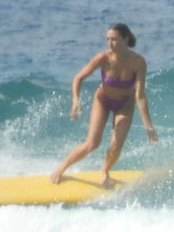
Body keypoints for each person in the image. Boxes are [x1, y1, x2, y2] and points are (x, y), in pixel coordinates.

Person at [50, 22, 156, 186]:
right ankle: (61, 169)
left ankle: (105, 170)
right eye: (108, 39)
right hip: (103, 100)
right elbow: (78, 78)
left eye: (114, 39)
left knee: (116, 145)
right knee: (92, 143)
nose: (110, 43)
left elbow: (140, 96)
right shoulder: (103, 58)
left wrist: (148, 126)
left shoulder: (138, 62)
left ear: (125, 39)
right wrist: (75, 99)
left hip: (125, 105)